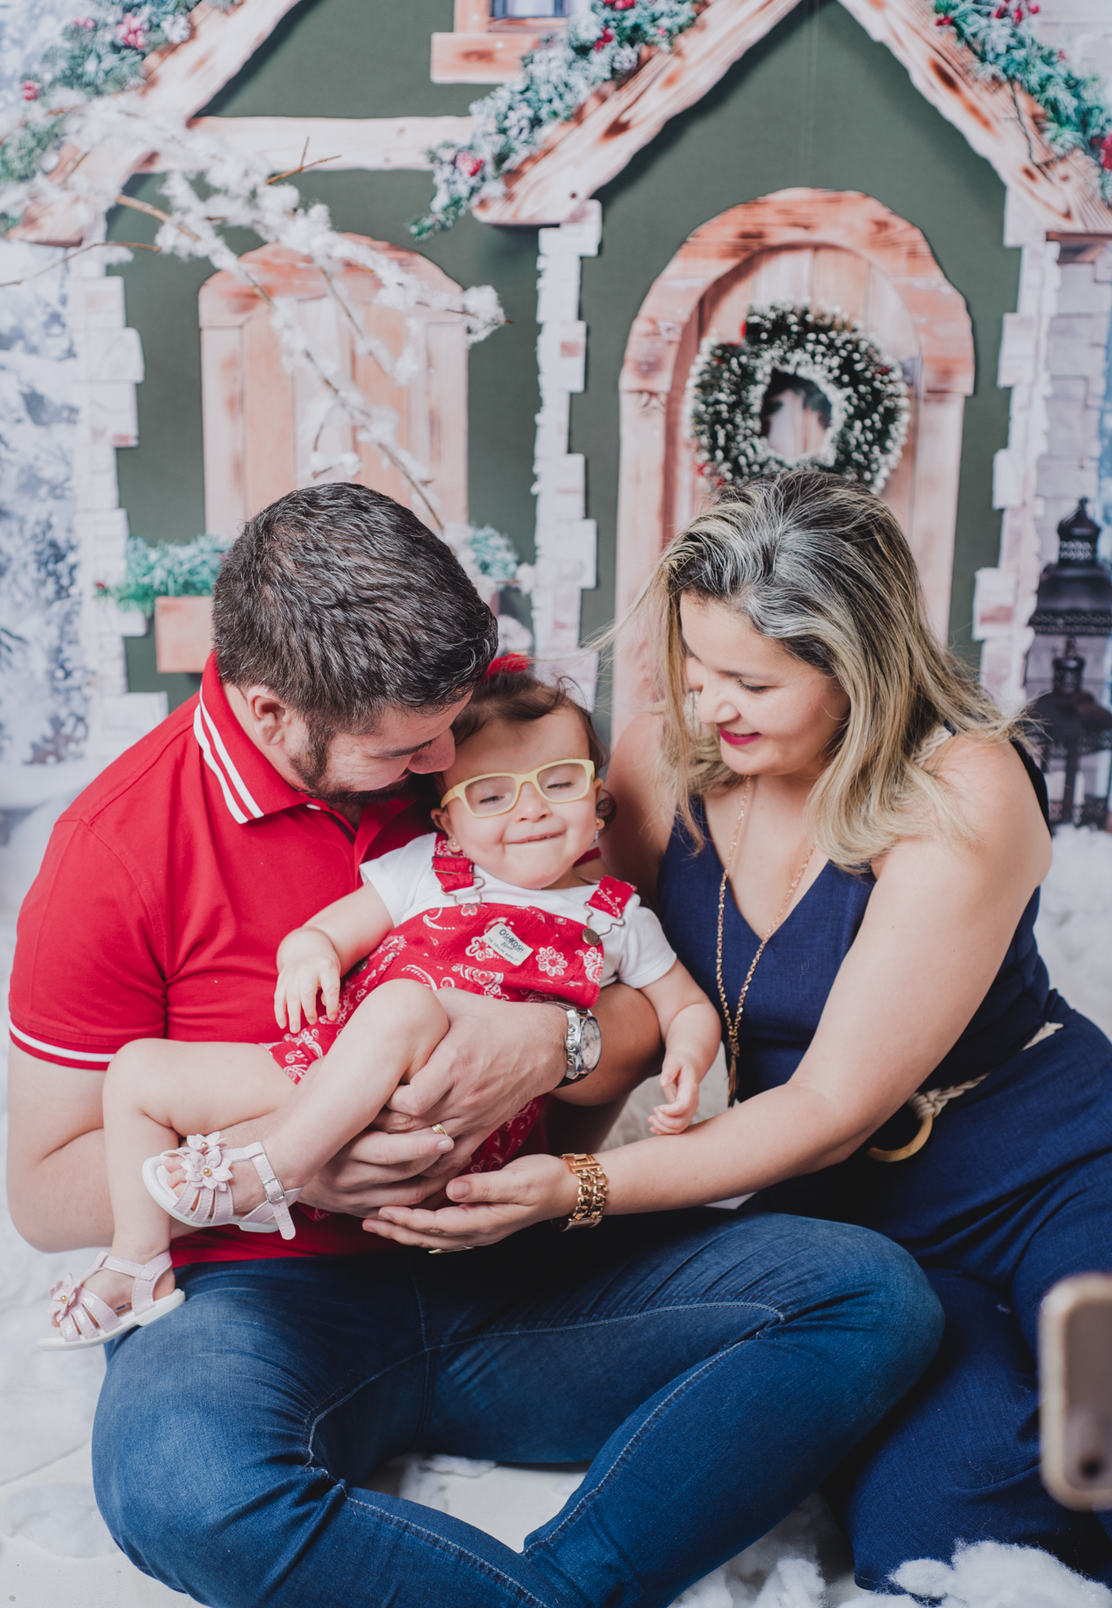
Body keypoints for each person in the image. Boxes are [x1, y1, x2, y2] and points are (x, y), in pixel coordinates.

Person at [7, 481, 942, 1608]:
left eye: (454, 727)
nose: (449, 760)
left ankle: (572, 1585)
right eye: (408, 749)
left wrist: (552, 1042)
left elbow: (633, 994)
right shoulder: (113, 850)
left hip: (517, 1256)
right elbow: (46, 1191)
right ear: (271, 713)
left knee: (871, 1296)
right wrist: (306, 1150)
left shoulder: (488, 727)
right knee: (180, 1488)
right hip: (262, 1299)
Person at [373, 471, 1112, 1591]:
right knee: (936, 1534)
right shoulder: (659, 763)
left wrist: (576, 1187)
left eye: (753, 681)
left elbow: (829, 1106)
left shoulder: (963, 782)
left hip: (1052, 1170)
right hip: (859, 1233)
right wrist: (489, 1158)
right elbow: (591, 981)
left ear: (858, 664)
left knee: (1099, 1414)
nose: (711, 705)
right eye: (695, 666)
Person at [40, 664, 722, 1346]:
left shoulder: (614, 916)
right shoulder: (429, 868)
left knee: (407, 1004)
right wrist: (308, 955)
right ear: (447, 821)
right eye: (491, 795)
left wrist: (688, 1059)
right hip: (330, 1069)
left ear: (599, 798)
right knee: (139, 1072)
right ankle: (138, 1261)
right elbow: (327, 933)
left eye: (561, 782)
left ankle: (276, 1167)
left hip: (454, 1123)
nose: (532, 809)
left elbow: (684, 1006)